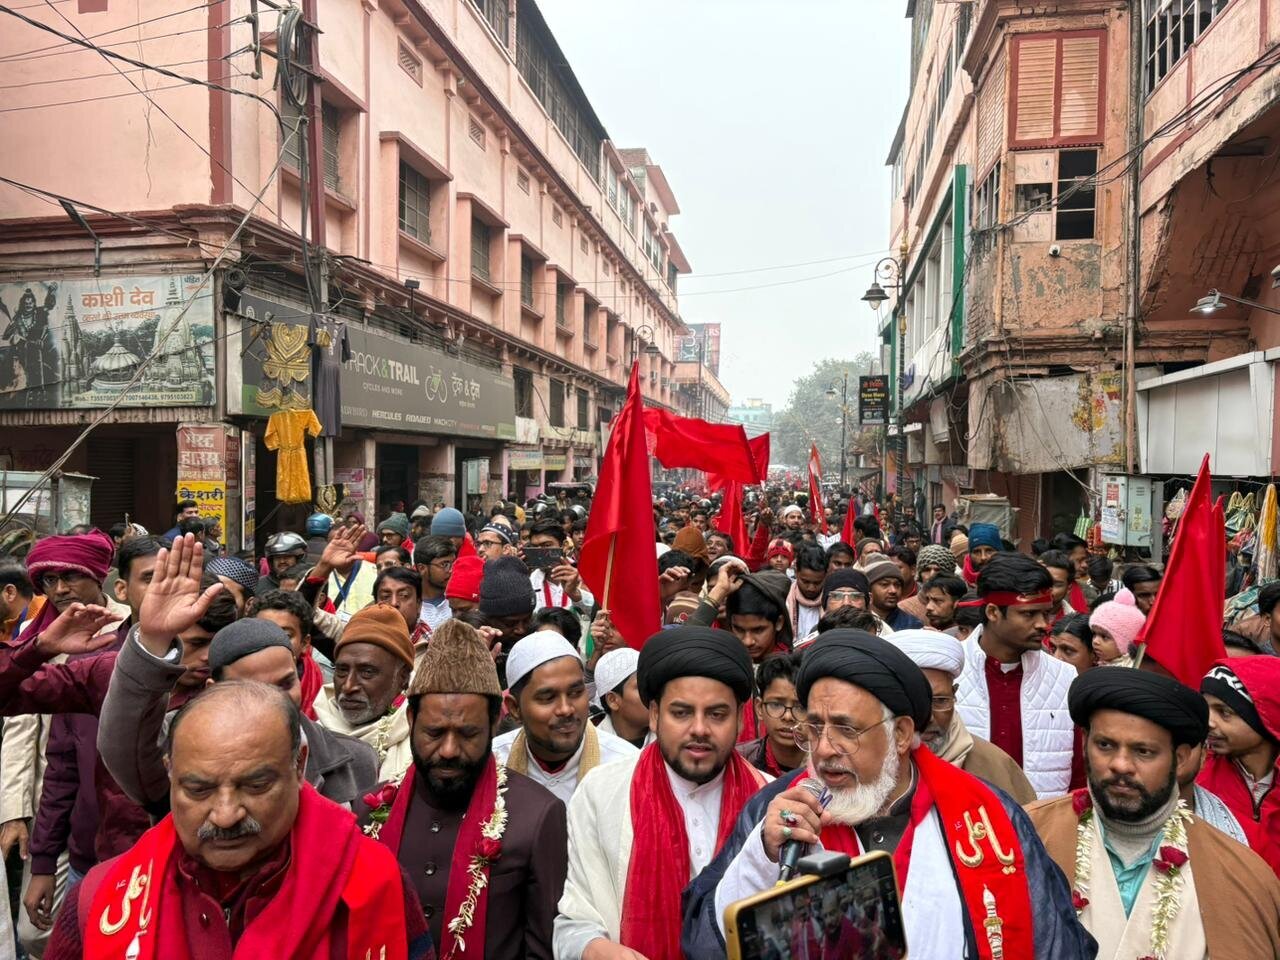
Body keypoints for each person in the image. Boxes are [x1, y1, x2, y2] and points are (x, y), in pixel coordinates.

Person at [684, 630, 1094, 959]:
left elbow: (1053, 941)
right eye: (814, 728)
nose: (824, 749)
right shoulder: (776, 812)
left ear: (899, 734)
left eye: (846, 730)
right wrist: (762, 854)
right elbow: (704, 941)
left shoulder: (990, 816)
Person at [46, 681, 433, 959]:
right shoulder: (101, 898)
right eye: (199, 790)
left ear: (299, 766)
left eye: (255, 785)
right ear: (170, 773)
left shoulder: (372, 882)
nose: (226, 814)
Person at [1027, 668, 1280, 959]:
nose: (1120, 765)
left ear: (1181, 758)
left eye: (1143, 751)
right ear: (1085, 744)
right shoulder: (1030, 834)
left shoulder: (1238, 872)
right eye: (1105, 745)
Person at [553, 626, 768, 959]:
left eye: (717, 714)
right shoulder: (602, 793)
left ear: (740, 719)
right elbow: (573, 923)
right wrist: (595, 948)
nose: (699, 729)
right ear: (654, 714)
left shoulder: (768, 803)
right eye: (681, 713)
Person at [357, 619, 566, 959]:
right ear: (410, 721)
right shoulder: (369, 811)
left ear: (494, 722)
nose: (450, 750)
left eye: (468, 734)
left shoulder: (537, 816)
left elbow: (543, 948)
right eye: (434, 733)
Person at [955, 553, 1079, 798]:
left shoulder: (1063, 678)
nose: (1044, 624)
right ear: (993, 612)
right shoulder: (950, 675)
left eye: (1045, 613)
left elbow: (1078, 774)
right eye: (1029, 614)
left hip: (1044, 826)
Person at [492, 631, 637, 805]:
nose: (566, 709)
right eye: (547, 698)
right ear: (515, 708)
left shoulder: (627, 767)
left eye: (575, 693)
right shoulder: (493, 764)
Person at [892, 630, 1036, 804]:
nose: (928, 717)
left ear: (954, 694)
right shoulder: (865, 763)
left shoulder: (995, 767)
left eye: (940, 701)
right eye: (915, 701)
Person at [312, 603, 415, 780]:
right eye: (342, 670)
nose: (348, 686)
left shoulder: (419, 745)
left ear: (402, 677)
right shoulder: (312, 737)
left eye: (367, 672)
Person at [1197, 657, 1280, 875]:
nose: (1209, 722)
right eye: (1206, 709)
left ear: (1266, 717)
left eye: (1224, 712)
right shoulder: (1197, 778)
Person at [736, 652, 806, 777]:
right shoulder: (739, 763)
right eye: (776, 705)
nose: (788, 717)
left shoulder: (828, 765)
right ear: (759, 708)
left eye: (800, 707)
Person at [526, 520, 593, 613]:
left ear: (564, 546)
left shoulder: (585, 573)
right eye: (534, 547)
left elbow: (597, 614)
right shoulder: (530, 579)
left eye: (546, 545)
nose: (539, 553)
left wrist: (576, 594)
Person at [592, 648, 652, 749]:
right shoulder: (594, 749)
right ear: (613, 700)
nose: (653, 692)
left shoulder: (669, 738)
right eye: (641, 687)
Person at [862, 557, 923, 631]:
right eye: (885, 584)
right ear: (869, 588)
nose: (893, 591)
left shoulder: (912, 625)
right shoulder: (858, 621)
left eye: (897, 585)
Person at [1088, 589, 1145, 668]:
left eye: (1104, 637)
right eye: (1094, 634)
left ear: (1126, 643)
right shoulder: (1101, 663)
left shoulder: (1130, 671)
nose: (1095, 641)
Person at [375, 566, 427, 645]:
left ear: (419, 604)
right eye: (385, 596)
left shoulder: (436, 649)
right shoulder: (360, 644)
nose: (394, 603)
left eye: (403, 595)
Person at [787, 545, 827, 639]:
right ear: (796, 573)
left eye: (817, 583)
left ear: (825, 576)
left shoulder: (831, 603)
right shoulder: (785, 600)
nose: (811, 588)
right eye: (805, 582)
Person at [255, 531, 306, 598]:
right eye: (277, 558)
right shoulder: (259, 585)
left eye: (287, 557)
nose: (282, 561)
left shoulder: (306, 583)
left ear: (298, 558)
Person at [1038, 549, 1078, 623]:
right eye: (1044, 582)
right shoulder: (1016, 612)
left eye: (1057, 585)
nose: (1049, 590)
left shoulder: (1074, 622)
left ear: (1069, 588)